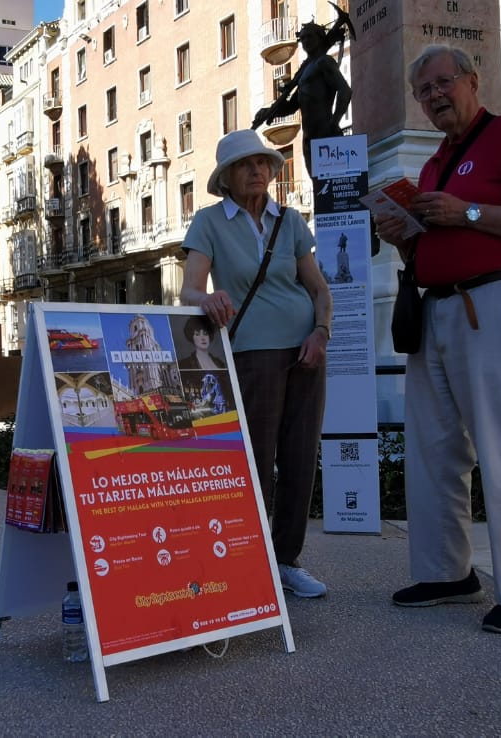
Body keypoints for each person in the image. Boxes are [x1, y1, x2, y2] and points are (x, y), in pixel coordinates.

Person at [372, 44, 501, 633]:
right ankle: (446, 573)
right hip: (437, 310)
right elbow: (439, 233)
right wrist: (404, 234)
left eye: (441, 83)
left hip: (492, 299)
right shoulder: (434, 163)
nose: (433, 97)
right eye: (424, 91)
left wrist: (468, 215)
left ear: (472, 81)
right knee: (432, 450)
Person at [181, 128, 333, 599]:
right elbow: (188, 290)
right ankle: (250, 560)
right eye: (247, 164)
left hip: (306, 350)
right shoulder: (208, 222)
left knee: (301, 456)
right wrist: (207, 298)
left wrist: (321, 332)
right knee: (255, 458)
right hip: (251, 353)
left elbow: (319, 288)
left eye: (264, 163)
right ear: (226, 176)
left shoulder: (288, 221)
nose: (258, 171)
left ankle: (286, 560)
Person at [251, 18, 352, 177]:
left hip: (325, 132)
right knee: (318, 187)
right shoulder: (305, 71)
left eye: (309, 36)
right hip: (309, 137)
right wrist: (269, 111)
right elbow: (292, 106)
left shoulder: (323, 62)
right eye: (303, 38)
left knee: (331, 188)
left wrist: (334, 122)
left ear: (319, 37)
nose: (305, 41)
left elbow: (345, 90)